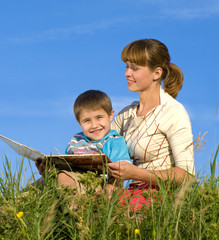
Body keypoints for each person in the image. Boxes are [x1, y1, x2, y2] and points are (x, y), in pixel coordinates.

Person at [104, 38, 195, 211]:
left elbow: (186, 175)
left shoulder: (173, 112)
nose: (127, 73)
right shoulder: (126, 114)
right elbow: (100, 147)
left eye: (135, 68)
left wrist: (136, 173)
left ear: (157, 73)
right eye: (127, 66)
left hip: (160, 196)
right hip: (131, 192)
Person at [37, 90, 131, 194]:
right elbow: (65, 164)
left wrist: (110, 186)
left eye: (99, 117)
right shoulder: (75, 141)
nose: (94, 125)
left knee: (62, 177)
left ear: (110, 115)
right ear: (79, 122)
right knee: (37, 185)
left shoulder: (114, 141)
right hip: (72, 178)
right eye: (87, 121)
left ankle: (72, 209)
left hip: (97, 183)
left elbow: (121, 170)